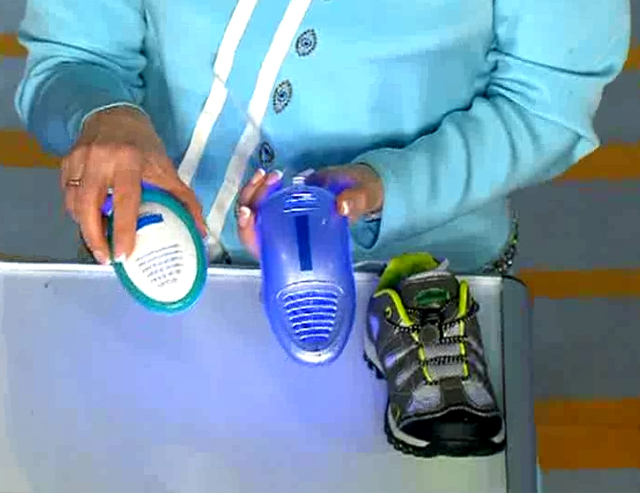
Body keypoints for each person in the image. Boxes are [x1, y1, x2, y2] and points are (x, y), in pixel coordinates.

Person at [15, 0, 630, 459]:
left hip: (417, 307)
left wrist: (388, 187)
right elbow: (74, 56)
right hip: (153, 269)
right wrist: (103, 116)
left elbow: (544, 104)